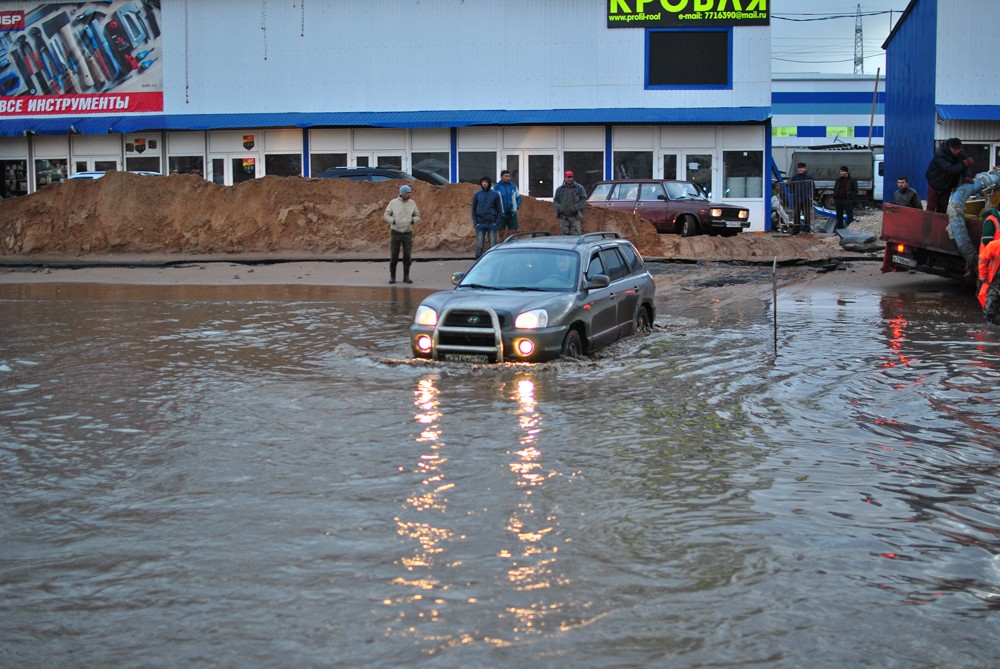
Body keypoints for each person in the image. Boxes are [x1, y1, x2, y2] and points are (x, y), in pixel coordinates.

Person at [925, 137, 974, 213]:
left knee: (943, 208)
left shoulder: (961, 153)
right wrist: (964, 163)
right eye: (954, 149)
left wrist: (966, 176)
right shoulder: (941, 155)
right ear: (949, 147)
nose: (956, 151)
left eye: (958, 149)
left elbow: (965, 166)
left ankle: (940, 224)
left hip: (947, 185)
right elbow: (950, 170)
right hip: (935, 184)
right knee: (931, 208)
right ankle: (928, 224)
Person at [383, 184, 420, 284]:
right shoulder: (393, 203)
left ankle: (406, 276)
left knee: (407, 256)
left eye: (410, 192)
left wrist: (412, 220)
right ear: (402, 194)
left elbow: (417, 215)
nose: (410, 194)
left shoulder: (412, 203)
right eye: (408, 193)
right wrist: (392, 220)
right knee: (394, 255)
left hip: (407, 232)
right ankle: (392, 276)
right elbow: (386, 214)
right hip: (395, 232)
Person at [471, 175, 501, 258]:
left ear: (489, 183)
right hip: (480, 223)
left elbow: (499, 209)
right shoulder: (477, 194)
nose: (484, 184)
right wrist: (475, 222)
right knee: (479, 245)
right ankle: (478, 261)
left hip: (492, 223)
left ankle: (492, 259)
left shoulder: (495, 194)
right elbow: (473, 209)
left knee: (492, 245)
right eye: (482, 182)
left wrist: (496, 223)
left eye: (486, 182)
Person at [553, 170, 587, 235]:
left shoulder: (579, 188)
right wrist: (559, 207)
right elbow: (555, 200)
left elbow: (583, 198)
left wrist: (576, 207)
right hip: (563, 217)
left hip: (575, 216)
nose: (569, 179)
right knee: (564, 236)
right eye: (568, 177)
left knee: (575, 236)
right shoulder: (559, 189)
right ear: (564, 178)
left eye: (570, 177)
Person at [978, 232, 1000, 323]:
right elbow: (983, 258)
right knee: (991, 300)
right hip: (995, 279)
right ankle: (989, 321)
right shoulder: (995, 245)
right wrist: (982, 275)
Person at [494, 169, 521, 241]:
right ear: (501, 177)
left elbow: (518, 198)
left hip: (512, 213)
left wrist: (517, 206)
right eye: (506, 176)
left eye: (509, 176)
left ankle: (512, 248)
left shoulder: (513, 187)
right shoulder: (496, 187)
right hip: (500, 214)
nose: (508, 178)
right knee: (500, 233)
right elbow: (492, 200)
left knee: (513, 232)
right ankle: (500, 249)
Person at [787, 162, 813, 234]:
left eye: (801, 168)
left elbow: (812, 187)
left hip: (805, 199)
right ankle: (796, 229)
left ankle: (806, 229)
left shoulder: (808, 177)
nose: (800, 169)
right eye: (799, 168)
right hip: (797, 198)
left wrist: (809, 195)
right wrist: (792, 194)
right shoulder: (795, 177)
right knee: (796, 214)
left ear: (805, 168)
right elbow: (790, 186)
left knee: (806, 214)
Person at [832, 165, 858, 231]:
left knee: (849, 216)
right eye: (840, 171)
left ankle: (850, 230)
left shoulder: (852, 180)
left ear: (846, 172)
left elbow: (855, 190)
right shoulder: (838, 180)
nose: (841, 173)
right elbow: (835, 189)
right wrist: (835, 197)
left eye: (842, 171)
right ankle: (840, 230)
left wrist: (851, 199)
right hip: (838, 200)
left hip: (847, 200)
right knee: (839, 216)